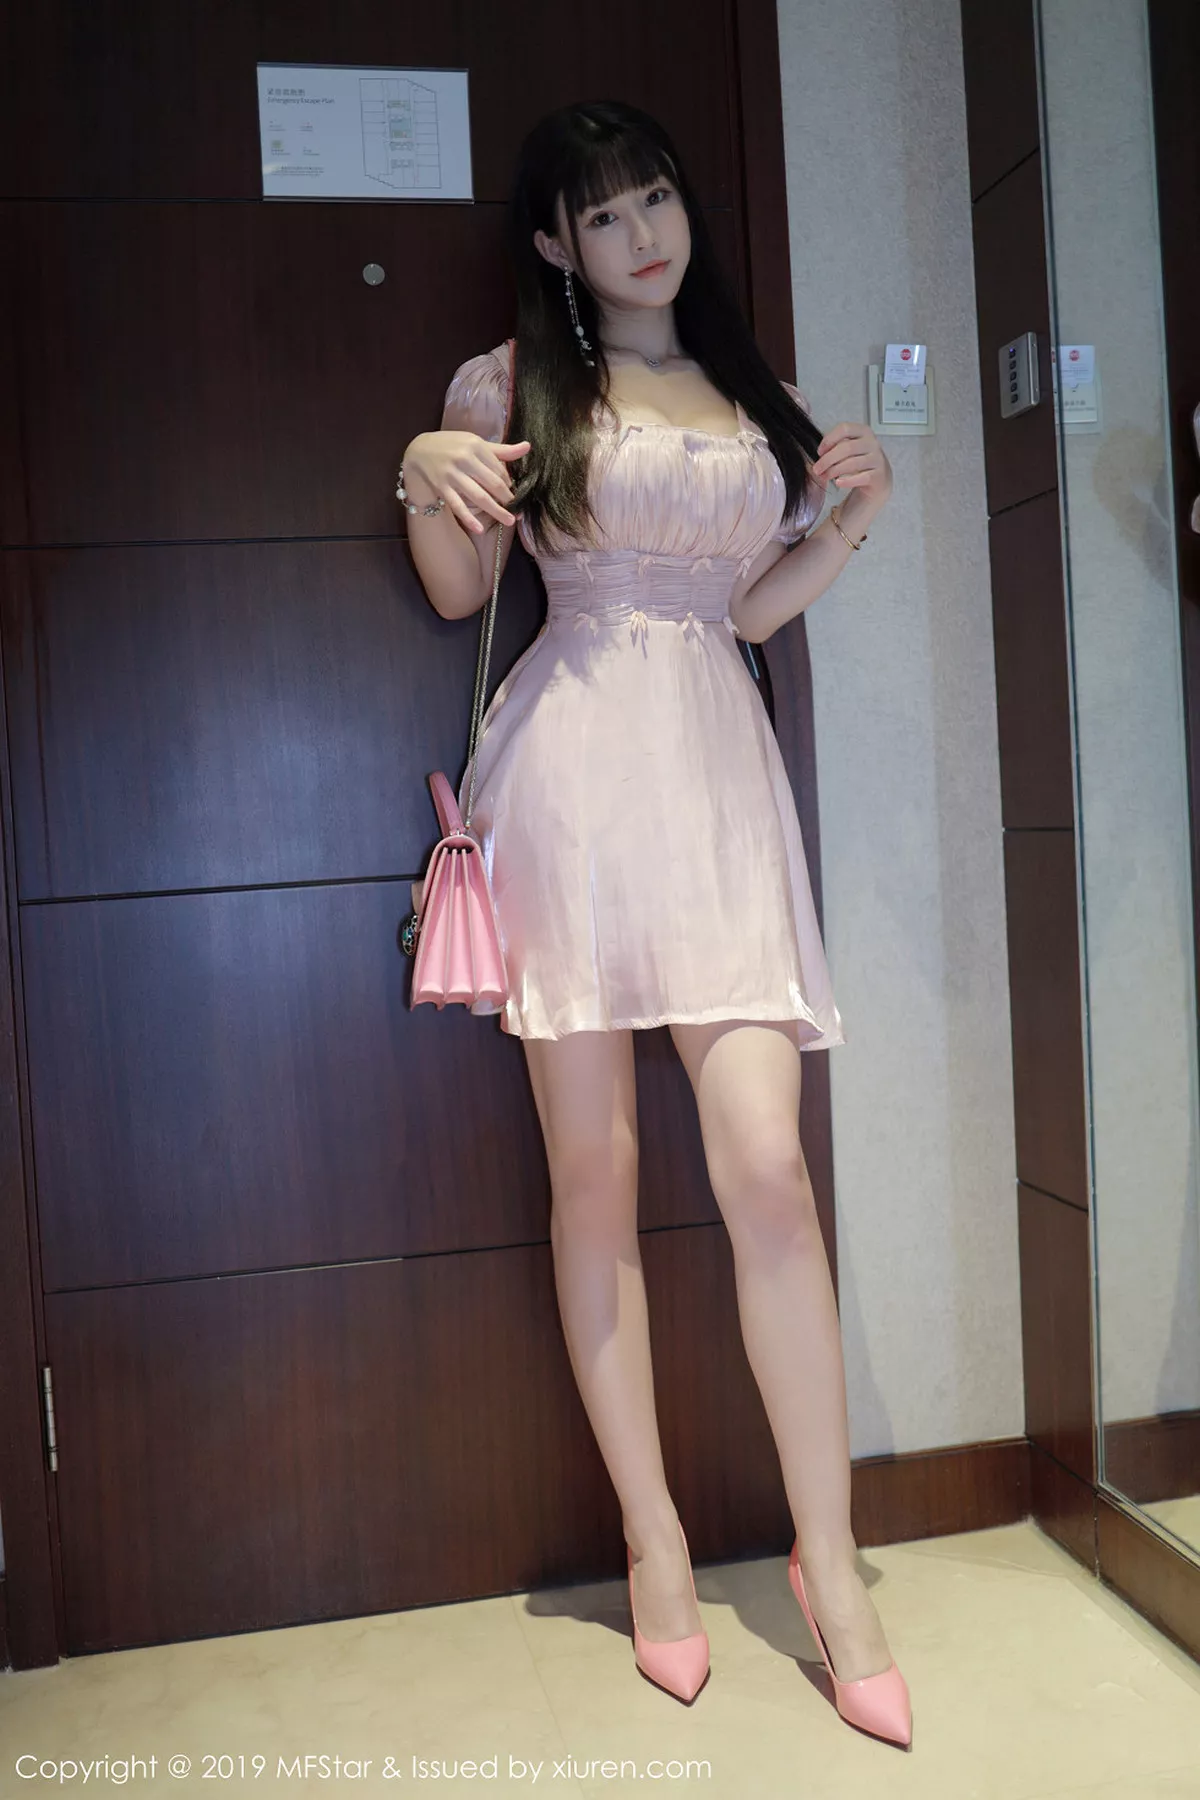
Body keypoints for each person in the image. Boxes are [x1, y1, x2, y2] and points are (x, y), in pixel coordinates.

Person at [399, 101, 908, 1748]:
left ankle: (831, 1563)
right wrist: (421, 472)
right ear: (555, 242)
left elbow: (745, 607)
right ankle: (657, 1542)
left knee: (768, 1168)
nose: (643, 236)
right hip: (570, 784)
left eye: (658, 200)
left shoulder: (753, 391)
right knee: (598, 1176)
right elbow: (458, 593)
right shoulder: (508, 386)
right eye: (605, 215)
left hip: (719, 783)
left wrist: (849, 520)